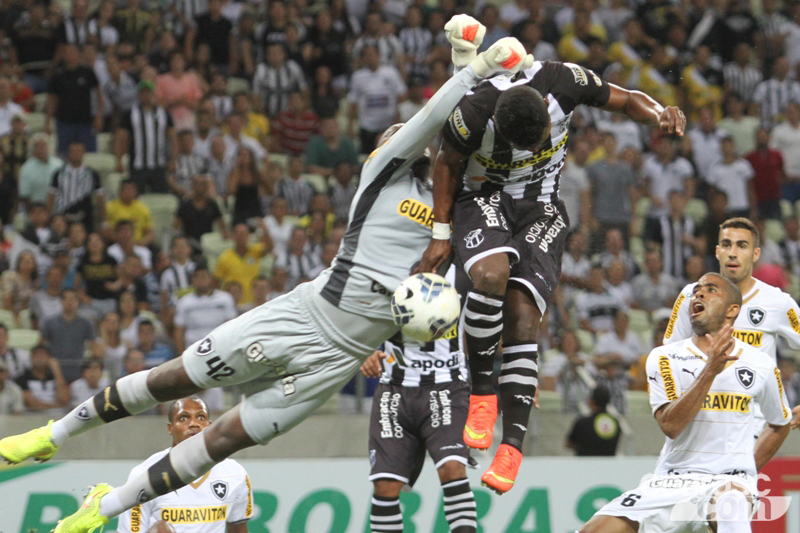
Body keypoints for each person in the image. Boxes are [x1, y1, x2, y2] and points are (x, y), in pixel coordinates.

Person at [0, 27, 530, 533]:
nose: (400, 135)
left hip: (335, 363)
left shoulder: (458, 216)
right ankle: (51, 435)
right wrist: (475, 69)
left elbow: (469, 155)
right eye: (398, 134)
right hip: (304, 314)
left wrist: (488, 83)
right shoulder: (383, 173)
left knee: (222, 440)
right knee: (175, 379)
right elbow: (434, 119)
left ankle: (100, 511)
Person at [416, 29, 685, 493]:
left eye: (542, 136)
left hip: (542, 206)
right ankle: (482, 393)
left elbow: (624, 99)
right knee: (489, 274)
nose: (538, 145)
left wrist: (659, 113)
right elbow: (445, 166)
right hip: (485, 197)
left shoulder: (564, 80)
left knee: (523, 312)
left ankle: (512, 447)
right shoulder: (473, 111)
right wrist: (441, 234)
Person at [580, 273, 791, 533]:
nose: (699, 294)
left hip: (728, 483)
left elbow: (780, 422)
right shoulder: (664, 357)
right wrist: (710, 370)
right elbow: (670, 424)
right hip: (669, 483)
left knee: (733, 507)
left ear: (732, 310)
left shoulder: (760, 363)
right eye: (697, 290)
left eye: (711, 290)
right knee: (594, 530)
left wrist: (747, 466)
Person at [360, 266, 477, 533]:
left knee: (452, 468)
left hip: (446, 386)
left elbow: (491, 320)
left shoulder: (464, 271)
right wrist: (364, 350)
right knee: (385, 485)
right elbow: (358, 315)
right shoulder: (387, 268)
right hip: (394, 388)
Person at [665, 218, 800, 361]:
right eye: (726, 245)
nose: (732, 254)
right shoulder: (692, 294)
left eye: (742, 246)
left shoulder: (778, 301)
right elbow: (670, 352)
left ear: (755, 254)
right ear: (717, 252)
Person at [116, 397, 251, 532]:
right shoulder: (144, 475)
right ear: (170, 428)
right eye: (183, 418)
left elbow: (238, 529)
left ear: (210, 426)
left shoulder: (235, 473)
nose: (194, 424)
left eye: (201, 417)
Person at [173, 264, 237, 355]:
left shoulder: (225, 299)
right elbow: (179, 330)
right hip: (192, 350)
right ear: (192, 281)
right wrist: (182, 355)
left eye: (204, 277)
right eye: (197, 277)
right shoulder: (184, 302)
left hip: (220, 349)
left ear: (211, 279)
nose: (201, 280)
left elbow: (232, 326)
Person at [47, 141, 106, 232]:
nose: (76, 154)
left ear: (84, 153)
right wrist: (48, 219)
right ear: (68, 153)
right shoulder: (59, 174)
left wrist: (103, 222)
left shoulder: (92, 174)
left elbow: (100, 199)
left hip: (85, 218)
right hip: (63, 217)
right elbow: (51, 197)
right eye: (73, 151)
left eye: (79, 151)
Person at [15, 344, 70, 416]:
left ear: (49, 358)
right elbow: (31, 404)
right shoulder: (22, 378)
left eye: (42, 354)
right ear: (31, 358)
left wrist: (56, 371)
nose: (39, 358)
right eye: (36, 355)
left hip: (57, 416)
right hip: (33, 416)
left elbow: (64, 400)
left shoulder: (57, 377)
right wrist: (57, 406)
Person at [565, 385, 620, 456]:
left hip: (584, 464)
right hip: (607, 466)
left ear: (591, 401)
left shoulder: (582, 423)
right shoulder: (615, 423)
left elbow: (568, 443)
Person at [105, 180, 154, 247]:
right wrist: (124, 243)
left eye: (131, 189)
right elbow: (107, 231)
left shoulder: (143, 209)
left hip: (138, 244)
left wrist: (142, 243)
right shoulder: (110, 207)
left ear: (136, 192)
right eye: (126, 189)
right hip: (117, 244)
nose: (129, 192)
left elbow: (150, 233)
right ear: (120, 191)